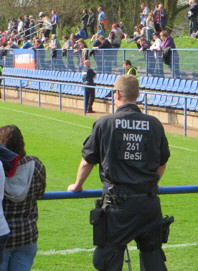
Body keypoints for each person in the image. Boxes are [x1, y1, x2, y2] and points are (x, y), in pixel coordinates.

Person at [67, 75, 170, 271]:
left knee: (108, 261)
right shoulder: (154, 123)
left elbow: (88, 161)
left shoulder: (105, 123)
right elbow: (163, 161)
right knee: (153, 258)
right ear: (137, 95)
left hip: (117, 207)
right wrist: (151, 183)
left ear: (117, 94)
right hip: (148, 203)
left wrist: (77, 186)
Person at [0, 125, 46, 271]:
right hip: (26, 235)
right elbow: (39, 192)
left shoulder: (1, 167)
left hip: (3, 236)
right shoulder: (36, 164)